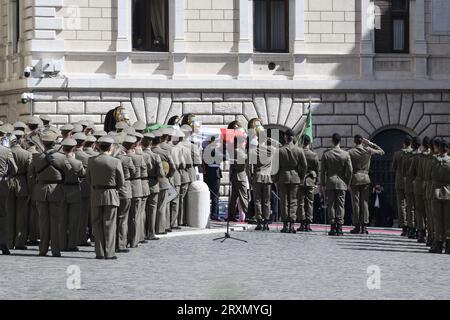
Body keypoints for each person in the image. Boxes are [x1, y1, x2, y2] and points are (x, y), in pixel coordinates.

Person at [86, 136, 125, 260]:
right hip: (111, 193)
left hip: (96, 193)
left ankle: (100, 252)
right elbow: (121, 181)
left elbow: (88, 180)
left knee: (96, 224)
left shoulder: (91, 160)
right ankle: (109, 252)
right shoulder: (115, 161)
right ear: (110, 147)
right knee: (109, 224)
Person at [28, 131, 66, 257]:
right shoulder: (61, 157)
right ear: (54, 142)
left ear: (43, 143)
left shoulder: (36, 157)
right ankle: (56, 250)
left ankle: (42, 249)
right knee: (56, 221)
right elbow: (69, 172)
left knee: (43, 221)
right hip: (56, 189)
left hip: (41, 189)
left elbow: (30, 175)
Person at [348, 135, 385, 234]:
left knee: (355, 203)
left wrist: (348, 181)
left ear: (355, 142)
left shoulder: (350, 152)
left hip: (355, 178)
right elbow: (381, 151)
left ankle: (356, 226)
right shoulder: (368, 150)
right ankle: (364, 226)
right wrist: (369, 143)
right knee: (364, 203)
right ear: (362, 141)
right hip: (365, 178)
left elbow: (348, 168)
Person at [273, 129, 307, 233]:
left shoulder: (279, 150)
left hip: (283, 177)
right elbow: (304, 165)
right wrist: (301, 176)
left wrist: (276, 178)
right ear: (293, 138)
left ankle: (285, 224)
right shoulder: (299, 150)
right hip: (295, 177)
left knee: (284, 201)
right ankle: (292, 224)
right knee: (293, 201)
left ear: (285, 137)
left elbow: (275, 166)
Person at [320, 133, 353, 236]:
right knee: (340, 205)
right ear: (340, 141)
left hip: (330, 182)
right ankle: (340, 227)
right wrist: (348, 182)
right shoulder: (345, 154)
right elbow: (350, 170)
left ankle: (332, 227)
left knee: (331, 205)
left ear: (332, 141)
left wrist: (322, 184)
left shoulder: (326, 154)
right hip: (342, 183)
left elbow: (322, 171)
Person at [59, 138, 85, 252]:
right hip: (74, 189)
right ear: (73, 148)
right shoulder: (78, 162)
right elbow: (82, 174)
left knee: (62, 219)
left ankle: (62, 243)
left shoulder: (58, 160)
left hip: (61, 189)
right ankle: (72, 244)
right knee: (74, 220)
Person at [8, 132, 32, 250]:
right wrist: (30, 189)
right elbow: (30, 175)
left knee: (9, 214)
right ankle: (19, 242)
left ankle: (8, 241)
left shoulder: (6, 152)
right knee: (21, 215)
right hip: (22, 184)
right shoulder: (27, 154)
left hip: (8, 182)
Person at [151, 129, 176, 235]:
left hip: (150, 181)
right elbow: (173, 167)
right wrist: (169, 176)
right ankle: (161, 228)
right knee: (162, 206)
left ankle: (150, 229)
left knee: (151, 207)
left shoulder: (149, 152)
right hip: (163, 180)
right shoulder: (164, 152)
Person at [142, 132, 165, 240]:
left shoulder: (139, 155)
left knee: (141, 210)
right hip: (153, 184)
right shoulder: (155, 156)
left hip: (142, 183)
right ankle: (150, 232)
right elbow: (161, 173)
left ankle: (141, 233)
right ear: (151, 142)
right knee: (152, 210)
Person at [114, 134, 135, 252]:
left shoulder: (113, 158)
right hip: (125, 189)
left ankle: (112, 243)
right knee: (123, 218)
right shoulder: (127, 159)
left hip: (113, 189)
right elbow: (134, 171)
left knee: (113, 218)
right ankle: (121, 244)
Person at [429, 140, 450, 254]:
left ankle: (438, 243)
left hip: (436, 190)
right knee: (448, 219)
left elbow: (428, 175)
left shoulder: (433, 161)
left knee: (437, 220)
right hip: (448, 191)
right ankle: (448, 244)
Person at [0, 127, 18, 255]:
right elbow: (14, 169)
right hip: (2, 184)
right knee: (2, 215)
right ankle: (2, 243)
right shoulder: (6, 151)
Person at [410, 137, 430, 243]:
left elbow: (411, 172)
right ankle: (430, 233)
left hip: (418, 185)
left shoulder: (418, 157)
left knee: (419, 210)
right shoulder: (433, 157)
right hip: (430, 186)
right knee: (430, 211)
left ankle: (421, 233)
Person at [297, 135, 319, 232]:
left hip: (300, 180)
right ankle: (308, 223)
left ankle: (302, 222)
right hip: (310, 180)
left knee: (301, 203)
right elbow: (317, 169)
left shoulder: (298, 153)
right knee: (310, 203)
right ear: (309, 142)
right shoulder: (313, 154)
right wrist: (316, 180)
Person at [392, 136, 412, 236]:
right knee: (411, 205)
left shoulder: (397, 154)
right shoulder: (413, 154)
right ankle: (412, 225)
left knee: (401, 205)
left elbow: (393, 168)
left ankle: (404, 227)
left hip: (400, 181)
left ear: (404, 143)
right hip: (411, 182)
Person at [423, 138, 441, 246]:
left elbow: (426, 173)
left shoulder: (431, 159)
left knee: (432, 215)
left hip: (432, 187)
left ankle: (434, 237)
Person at [403, 136, 421, 239]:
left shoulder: (408, 156)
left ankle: (411, 229)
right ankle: (420, 228)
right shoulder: (424, 156)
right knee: (420, 208)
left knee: (410, 208)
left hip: (410, 183)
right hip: (420, 184)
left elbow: (405, 170)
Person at [203, 136, 223, 221]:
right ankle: (214, 214)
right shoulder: (216, 150)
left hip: (207, 173)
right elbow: (224, 157)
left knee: (208, 195)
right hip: (215, 173)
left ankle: (206, 213)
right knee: (215, 195)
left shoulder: (205, 149)